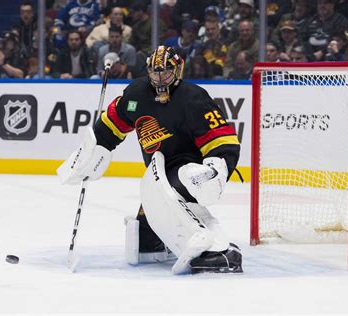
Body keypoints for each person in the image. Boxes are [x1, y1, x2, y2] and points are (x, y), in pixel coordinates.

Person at [57, 46, 242, 274]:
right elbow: (111, 126)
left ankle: (220, 250)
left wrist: (217, 169)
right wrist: (90, 153)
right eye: (155, 72)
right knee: (144, 245)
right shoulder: (137, 93)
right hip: (159, 172)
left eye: (166, 72)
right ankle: (165, 242)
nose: (160, 78)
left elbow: (223, 140)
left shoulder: (193, 98)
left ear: (178, 69)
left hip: (188, 169)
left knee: (170, 192)